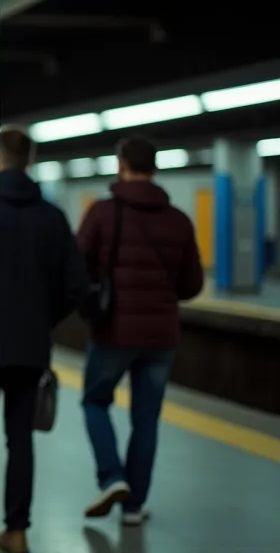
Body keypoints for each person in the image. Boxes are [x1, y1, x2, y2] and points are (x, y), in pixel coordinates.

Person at [75, 135, 203, 527]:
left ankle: (112, 476)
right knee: (146, 420)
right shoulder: (179, 220)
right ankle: (134, 507)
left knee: (95, 401)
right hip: (160, 336)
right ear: (155, 168)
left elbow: (77, 269)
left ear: (121, 165)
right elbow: (191, 286)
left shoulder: (102, 213)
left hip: (113, 331)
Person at [0, 126, 89, 553]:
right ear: (29, 160)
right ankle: (17, 530)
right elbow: (77, 288)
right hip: (30, 345)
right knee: (21, 440)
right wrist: (42, 319)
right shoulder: (52, 216)